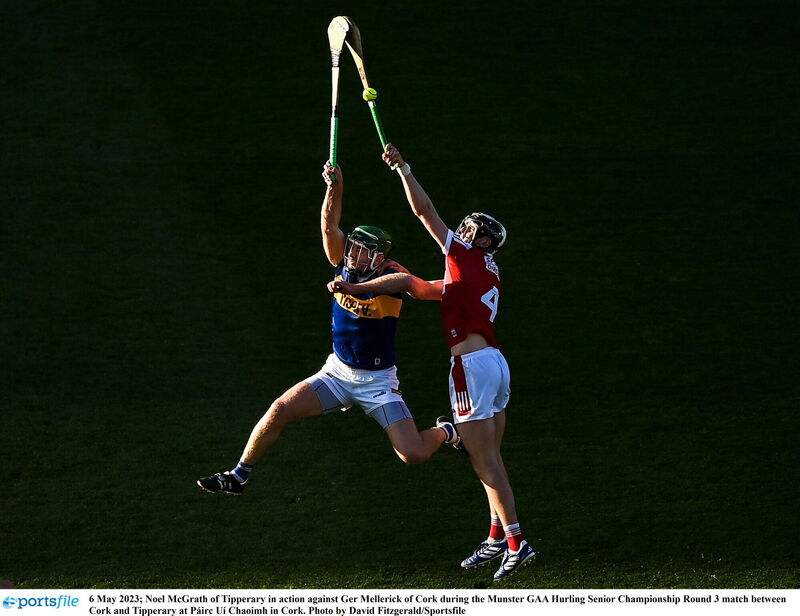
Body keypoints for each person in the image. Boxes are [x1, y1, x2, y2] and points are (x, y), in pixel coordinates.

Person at [328, 144, 534, 582]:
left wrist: (403, 169)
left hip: (471, 367)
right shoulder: (488, 268)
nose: (464, 228)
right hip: (496, 363)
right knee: (489, 454)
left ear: (481, 240)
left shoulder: (462, 253)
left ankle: (518, 541)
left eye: (472, 228)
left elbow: (425, 212)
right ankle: (497, 535)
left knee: (485, 462)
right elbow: (435, 289)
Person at [197, 162, 460, 496]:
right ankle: (238, 475)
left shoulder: (391, 276)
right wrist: (334, 186)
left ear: (379, 258)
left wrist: (354, 290)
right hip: (337, 373)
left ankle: (448, 432)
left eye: (362, 251)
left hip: (377, 383)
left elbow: (409, 283)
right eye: (352, 247)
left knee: (413, 453)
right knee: (280, 409)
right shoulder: (343, 262)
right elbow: (328, 225)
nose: (352, 254)